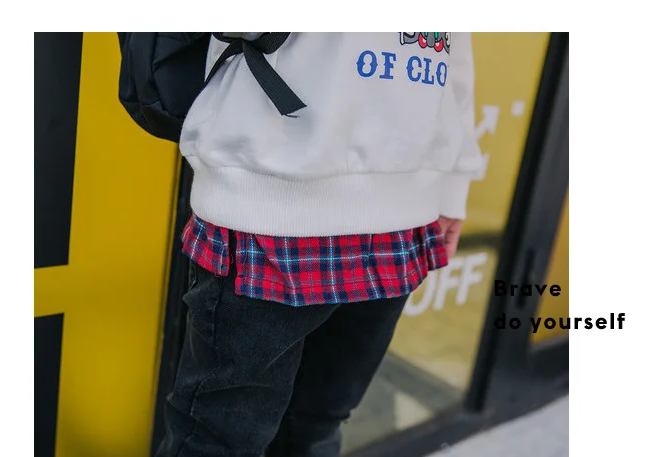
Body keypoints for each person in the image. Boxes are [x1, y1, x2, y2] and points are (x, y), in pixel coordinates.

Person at [157, 32, 483, 457]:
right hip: (273, 208)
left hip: (400, 215)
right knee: (224, 439)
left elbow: (455, 50)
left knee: (311, 428)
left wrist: (453, 184)